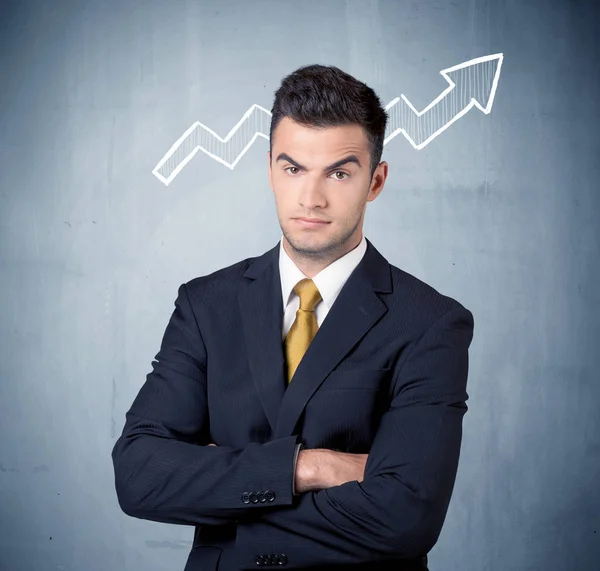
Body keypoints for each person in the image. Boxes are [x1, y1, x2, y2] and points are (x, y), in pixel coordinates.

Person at [111, 64, 475, 571]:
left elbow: (405, 515)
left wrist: (225, 497)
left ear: (376, 181)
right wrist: (309, 466)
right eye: (293, 168)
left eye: (339, 172)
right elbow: (138, 475)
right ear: (269, 171)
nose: (311, 198)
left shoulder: (430, 323)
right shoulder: (205, 305)